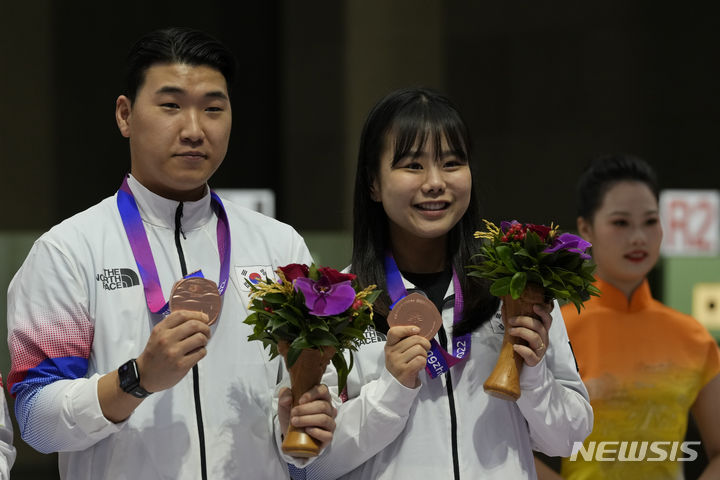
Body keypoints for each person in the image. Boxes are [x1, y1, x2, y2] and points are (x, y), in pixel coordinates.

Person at [6, 27, 335, 480]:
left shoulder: (280, 247)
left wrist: (302, 423)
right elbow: (35, 421)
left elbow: (314, 392)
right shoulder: (69, 251)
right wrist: (135, 379)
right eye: (171, 106)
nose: (195, 129)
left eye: (213, 109)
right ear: (125, 115)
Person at [292, 87, 593, 479]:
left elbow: (568, 439)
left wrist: (533, 374)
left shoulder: (515, 290)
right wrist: (393, 389)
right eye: (413, 166)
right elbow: (313, 466)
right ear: (373, 184)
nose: (435, 182)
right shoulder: (336, 309)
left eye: (452, 163)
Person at [557, 154, 720, 479]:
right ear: (585, 229)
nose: (638, 237)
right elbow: (506, 442)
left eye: (649, 221)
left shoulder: (693, 336)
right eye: (621, 223)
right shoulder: (555, 332)